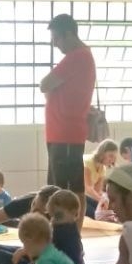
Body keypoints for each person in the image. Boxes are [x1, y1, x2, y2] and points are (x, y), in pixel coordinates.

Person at [40, 13, 96, 226]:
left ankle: (71, 233)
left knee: (66, 190)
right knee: (62, 188)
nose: (55, 44)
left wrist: (51, 90)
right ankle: (68, 232)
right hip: (62, 134)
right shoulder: (81, 56)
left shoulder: (77, 56)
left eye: (56, 38)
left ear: (69, 34)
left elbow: (44, 85)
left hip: (66, 134)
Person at [16, 189, 85, 264]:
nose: (54, 220)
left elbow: (71, 261)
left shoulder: (68, 232)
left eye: (58, 216)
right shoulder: (56, 226)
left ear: (74, 213)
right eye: (52, 216)